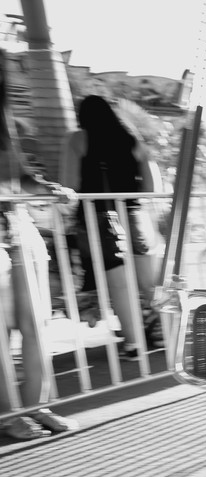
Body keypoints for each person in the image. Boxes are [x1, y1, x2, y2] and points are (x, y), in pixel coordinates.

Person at [0, 52, 79, 440]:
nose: (17, 75)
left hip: (14, 231)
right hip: (9, 234)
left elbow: (16, 177)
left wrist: (50, 190)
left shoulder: (5, 122)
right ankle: (9, 415)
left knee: (36, 324)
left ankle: (35, 406)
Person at [59, 95, 161, 359]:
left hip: (99, 219)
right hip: (135, 217)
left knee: (120, 286)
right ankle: (164, 332)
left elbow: (68, 182)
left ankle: (134, 344)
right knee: (149, 285)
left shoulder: (77, 140)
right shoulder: (132, 141)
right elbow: (150, 188)